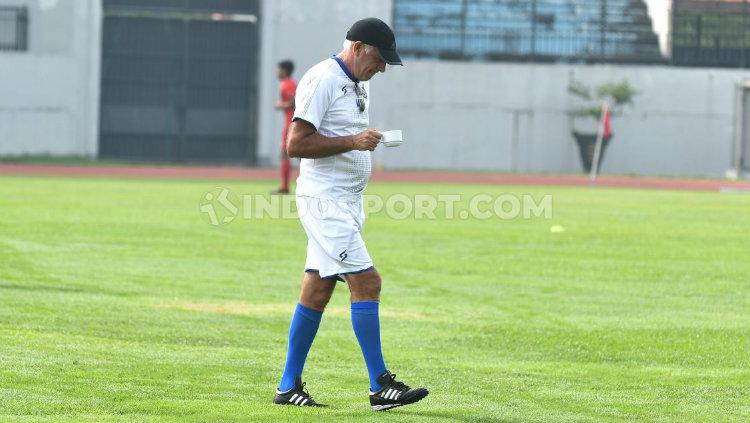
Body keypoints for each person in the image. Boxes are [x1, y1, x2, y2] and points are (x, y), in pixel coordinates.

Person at [272, 18, 429, 411]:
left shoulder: (359, 81)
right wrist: (354, 141)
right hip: (325, 202)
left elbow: (343, 134)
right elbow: (296, 143)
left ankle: (287, 386)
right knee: (368, 281)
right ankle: (380, 385)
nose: (382, 68)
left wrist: (364, 140)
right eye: (379, 58)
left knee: (318, 287)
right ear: (358, 48)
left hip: (347, 202)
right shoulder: (322, 78)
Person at [273, 60, 297, 194]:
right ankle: (285, 185)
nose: (277, 72)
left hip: (291, 124)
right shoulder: (289, 83)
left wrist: (279, 105)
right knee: (286, 154)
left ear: (284, 71)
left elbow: (293, 102)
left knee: (285, 155)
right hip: (291, 123)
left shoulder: (287, 84)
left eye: (278, 69)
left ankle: (285, 186)